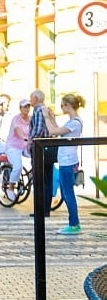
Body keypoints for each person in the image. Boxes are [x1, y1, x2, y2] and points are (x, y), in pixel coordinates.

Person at [45, 93, 85, 235]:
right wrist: (51, 117)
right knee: (66, 192)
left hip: (68, 161)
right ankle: (73, 223)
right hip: (66, 161)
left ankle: (74, 224)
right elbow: (58, 132)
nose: (61, 107)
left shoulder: (75, 122)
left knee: (68, 194)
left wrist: (45, 117)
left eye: (62, 105)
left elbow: (52, 131)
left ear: (68, 105)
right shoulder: (71, 122)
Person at [28, 89, 55, 217]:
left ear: (36, 98)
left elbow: (37, 130)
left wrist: (29, 141)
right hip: (48, 147)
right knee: (48, 179)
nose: (30, 100)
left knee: (40, 179)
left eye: (31, 98)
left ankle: (41, 210)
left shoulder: (38, 110)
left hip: (39, 147)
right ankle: (46, 209)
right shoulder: (47, 109)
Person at [3, 99, 32, 200]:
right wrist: (26, 138)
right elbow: (18, 130)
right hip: (13, 146)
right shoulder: (16, 119)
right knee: (18, 167)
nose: (27, 108)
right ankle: (10, 188)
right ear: (20, 108)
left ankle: (33, 175)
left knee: (38, 158)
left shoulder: (31, 118)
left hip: (25, 146)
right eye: (25, 107)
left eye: (28, 106)